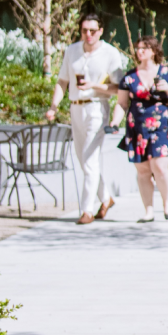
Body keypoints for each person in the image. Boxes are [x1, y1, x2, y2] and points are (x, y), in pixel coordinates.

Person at [50, 14, 128, 223]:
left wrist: (94, 86)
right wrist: (54, 106)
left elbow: (119, 88)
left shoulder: (110, 54)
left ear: (101, 31)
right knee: (84, 160)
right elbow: (62, 81)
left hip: (96, 108)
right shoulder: (72, 50)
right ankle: (106, 197)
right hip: (75, 108)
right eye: (85, 30)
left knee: (90, 159)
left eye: (93, 31)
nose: (88, 35)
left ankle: (87, 210)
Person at [115, 35, 168, 222]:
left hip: (161, 126)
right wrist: (114, 123)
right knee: (143, 171)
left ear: (153, 51)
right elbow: (121, 104)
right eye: (138, 48)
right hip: (137, 128)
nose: (139, 51)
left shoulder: (167, 73)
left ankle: (166, 202)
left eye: (143, 48)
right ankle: (148, 211)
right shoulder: (129, 77)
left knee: (160, 167)